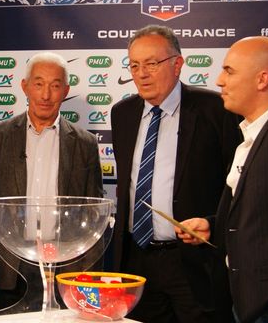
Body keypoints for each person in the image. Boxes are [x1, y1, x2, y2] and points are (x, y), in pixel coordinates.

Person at [110, 25, 242, 322]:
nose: (141, 73)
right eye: (134, 65)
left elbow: (237, 185)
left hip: (195, 263)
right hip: (136, 261)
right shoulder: (122, 114)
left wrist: (212, 223)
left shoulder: (216, 110)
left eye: (151, 64)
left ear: (177, 64)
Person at [0, 51, 104, 313]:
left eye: (55, 86)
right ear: (25, 86)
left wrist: (90, 273)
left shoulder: (85, 143)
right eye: (39, 84)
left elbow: (93, 210)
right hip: (10, 262)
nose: (45, 95)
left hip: (66, 264)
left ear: (65, 91)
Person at [176, 36, 268, 323]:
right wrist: (213, 225)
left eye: (229, 71)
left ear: (262, 79)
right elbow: (262, 213)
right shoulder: (251, 134)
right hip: (249, 301)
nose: (219, 80)